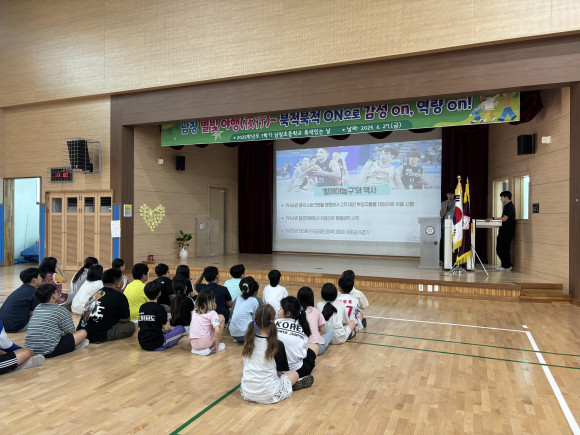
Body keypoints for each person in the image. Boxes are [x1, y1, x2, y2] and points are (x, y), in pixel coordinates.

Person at [240, 304, 314, 404]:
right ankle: (294, 383)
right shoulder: (277, 345)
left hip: (247, 392)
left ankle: (290, 385)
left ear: (255, 321)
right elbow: (279, 373)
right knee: (294, 374)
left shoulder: (248, 341)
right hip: (269, 394)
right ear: (274, 321)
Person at [24, 284, 89, 358]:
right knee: (83, 332)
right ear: (53, 296)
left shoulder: (37, 308)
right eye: (56, 292)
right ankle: (74, 345)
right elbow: (71, 332)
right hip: (49, 350)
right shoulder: (61, 310)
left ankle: (73, 345)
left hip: (31, 350)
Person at [77, 268, 136, 343]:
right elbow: (125, 319)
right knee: (131, 326)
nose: (123, 281)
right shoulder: (120, 297)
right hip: (97, 336)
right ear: (118, 284)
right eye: (121, 279)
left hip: (81, 333)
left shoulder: (97, 293)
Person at [138, 282, 186, 351]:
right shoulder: (160, 308)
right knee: (181, 328)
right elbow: (166, 329)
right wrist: (171, 327)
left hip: (142, 343)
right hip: (157, 343)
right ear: (159, 293)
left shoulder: (142, 307)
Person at [276, 296, 316, 378]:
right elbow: (304, 353)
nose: (278, 310)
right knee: (315, 347)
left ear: (288, 313)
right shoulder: (303, 326)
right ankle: (295, 379)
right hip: (297, 370)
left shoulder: (275, 323)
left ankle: (287, 380)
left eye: (280, 308)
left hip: (275, 370)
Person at [0, 267, 42, 332]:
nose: (42, 278)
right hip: (16, 325)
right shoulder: (34, 292)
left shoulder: (21, 289)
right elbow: (35, 312)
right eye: (40, 276)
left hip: (3, 324)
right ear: (34, 280)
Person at [297, 286, 333, 355]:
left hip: (299, 348)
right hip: (316, 349)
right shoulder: (316, 310)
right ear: (312, 298)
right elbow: (323, 331)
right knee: (330, 330)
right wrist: (315, 333)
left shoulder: (295, 312)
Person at [189, 289, 225, 356]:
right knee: (221, 317)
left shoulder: (194, 311)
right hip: (205, 343)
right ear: (212, 301)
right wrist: (217, 346)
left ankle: (197, 350)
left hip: (193, 343)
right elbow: (217, 330)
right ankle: (215, 345)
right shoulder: (213, 313)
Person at [486, 190, 516, 271]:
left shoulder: (509, 206)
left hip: (507, 231)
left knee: (503, 248)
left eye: (501, 197)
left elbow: (504, 219)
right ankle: (506, 265)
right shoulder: (506, 206)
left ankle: (506, 266)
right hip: (504, 230)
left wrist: (492, 218)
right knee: (501, 248)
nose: (500, 199)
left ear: (506, 197)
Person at [228, 277, 261, 343]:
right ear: (255, 292)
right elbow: (256, 317)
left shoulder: (238, 298)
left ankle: (238, 339)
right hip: (246, 335)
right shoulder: (254, 300)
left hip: (233, 334)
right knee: (260, 321)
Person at [440, 188, 455, 262]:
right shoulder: (444, 203)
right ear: (446, 195)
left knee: (453, 243)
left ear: (454, 195)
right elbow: (441, 215)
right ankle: (443, 259)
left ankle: (453, 260)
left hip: (454, 225)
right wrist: (446, 207)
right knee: (443, 242)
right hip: (445, 226)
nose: (450, 196)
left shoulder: (457, 203)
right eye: (448, 194)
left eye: (451, 194)